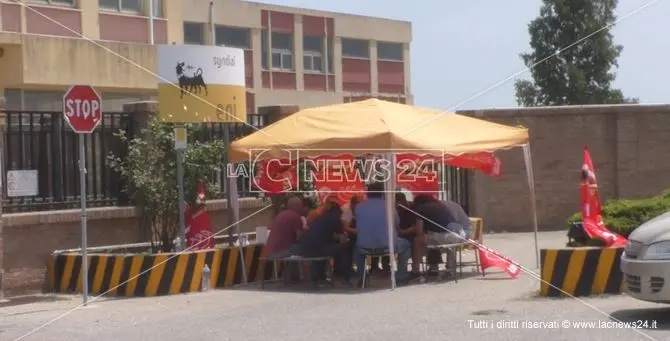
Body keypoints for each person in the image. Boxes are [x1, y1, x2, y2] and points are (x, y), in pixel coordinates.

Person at [353, 182, 414, 286]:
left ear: (367, 193)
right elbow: (396, 224)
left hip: (364, 246)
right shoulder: (389, 206)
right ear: (382, 193)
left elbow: (358, 226)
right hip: (388, 246)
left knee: (356, 249)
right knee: (406, 245)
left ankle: (361, 278)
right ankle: (400, 277)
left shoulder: (359, 207)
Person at [295, 201, 352, 286]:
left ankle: (319, 276)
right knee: (346, 248)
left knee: (326, 247)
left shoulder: (320, 218)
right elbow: (342, 238)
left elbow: (324, 235)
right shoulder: (335, 218)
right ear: (338, 211)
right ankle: (344, 276)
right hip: (319, 249)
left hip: (306, 249)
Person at [413, 195, 466, 274]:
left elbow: (419, 231)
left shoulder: (421, 209)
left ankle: (415, 270)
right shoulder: (441, 206)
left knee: (418, 241)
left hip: (446, 236)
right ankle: (449, 267)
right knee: (431, 238)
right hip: (459, 235)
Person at [395, 192, 422, 276]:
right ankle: (400, 273)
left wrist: (403, 231)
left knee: (406, 245)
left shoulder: (411, 210)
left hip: (409, 236)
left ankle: (405, 273)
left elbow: (415, 227)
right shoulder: (396, 210)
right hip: (400, 236)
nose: (397, 204)